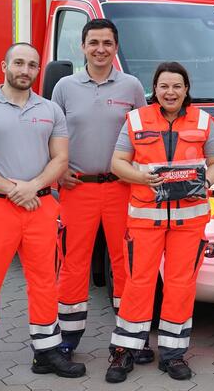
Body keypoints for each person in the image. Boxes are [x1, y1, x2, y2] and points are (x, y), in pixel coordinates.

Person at [0, 43, 85, 391]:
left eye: (33, 65)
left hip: (40, 207)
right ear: (4, 65)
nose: (26, 70)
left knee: (44, 283)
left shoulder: (51, 110)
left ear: (39, 71)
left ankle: (47, 352)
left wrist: (34, 186)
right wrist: (13, 189)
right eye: (19, 63)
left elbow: (60, 159)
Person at [105, 62, 214, 383]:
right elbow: (117, 163)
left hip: (189, 221)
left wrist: (205, 182)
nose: (170, 92)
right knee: (138, 283)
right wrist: (141, 177)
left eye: (177, 86)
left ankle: (172, 354)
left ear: (186, 90)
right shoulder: (135, 119)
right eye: (164, 86)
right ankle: (124, 351)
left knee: (180, 285)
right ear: (154, 89)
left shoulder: (203, 121)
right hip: (145, 220)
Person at [51, 19, 150, 362]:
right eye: (93, 42)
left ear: (116, 47)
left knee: (126, 263)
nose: (100, 49)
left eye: (107, 43)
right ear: (82, 47)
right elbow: (52, 135)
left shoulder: (132, 86)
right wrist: (58, 171)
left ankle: (132, 337)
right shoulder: (64, 87)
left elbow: (144, 136)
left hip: (122, 188)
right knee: (72, 263)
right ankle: (67, 338)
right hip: (78, 188)